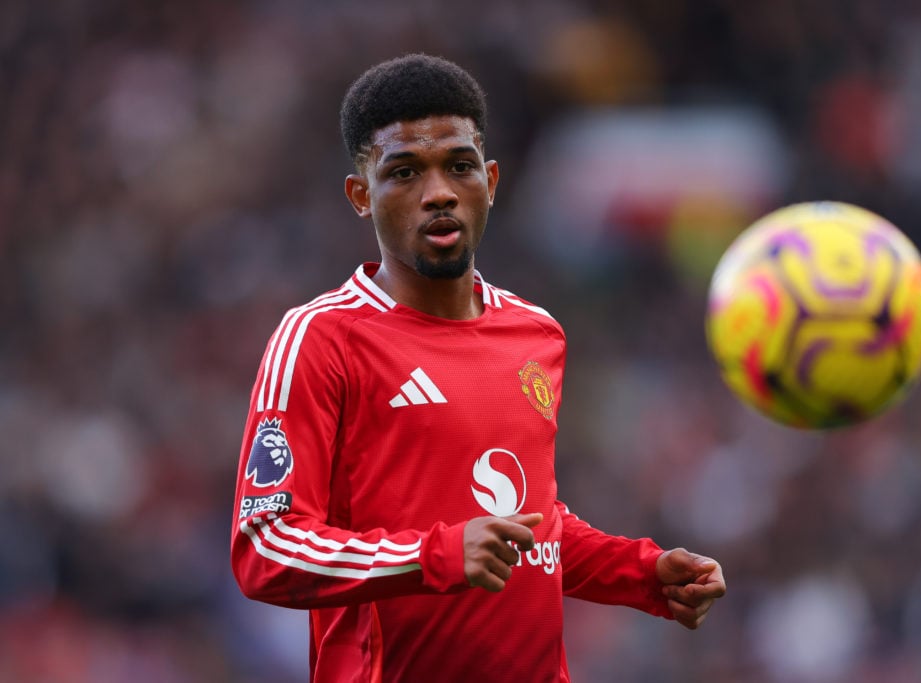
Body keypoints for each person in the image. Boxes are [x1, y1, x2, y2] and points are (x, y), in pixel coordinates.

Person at [230, 53, 726, 683]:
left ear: (489, 181)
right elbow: (265, 547)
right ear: (361, 196)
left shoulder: (536, 333)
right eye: (404, 172)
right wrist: (435, 554)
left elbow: (528, 526)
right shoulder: (320, 338)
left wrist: (640, 573)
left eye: (458, 167)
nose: (438, 192)